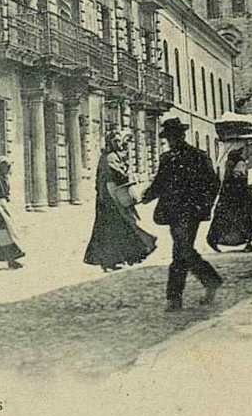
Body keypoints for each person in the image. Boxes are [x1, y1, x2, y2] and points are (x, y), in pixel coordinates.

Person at [141, 117, 222, 312]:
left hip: (191, 212)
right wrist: (145, 197)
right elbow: (160, 183)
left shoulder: (198, 157)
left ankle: (174, 298)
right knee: (184, 250)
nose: (172, 140)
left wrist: (204, 206)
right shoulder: (167, 158)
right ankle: (210, 281)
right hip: (173, 213)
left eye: (174, 136)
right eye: (169, 137)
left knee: (181, 250)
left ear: (182, 135)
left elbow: (213, 184)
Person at [84, 129, 156, 272]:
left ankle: (120, 258)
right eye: (115, 141)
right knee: (117, 228)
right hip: (110, 198)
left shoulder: (110, 156)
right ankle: (118, 259)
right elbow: (118, 175)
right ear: (110, 142)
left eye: (119, 140)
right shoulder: (109, 157)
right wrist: (126, 172)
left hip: (111, 197)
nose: (118, 143)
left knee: (118, 228)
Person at [207, 144, 252, 253]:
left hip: (231, 195)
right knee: (246, 218)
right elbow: (239, 178)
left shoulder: (229, 164)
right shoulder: (239, 163)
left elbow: (230, 179)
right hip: (240, 195)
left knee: (228, 219)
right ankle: (248, 243)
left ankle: (213, 238)